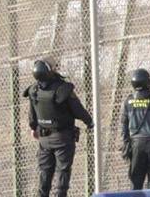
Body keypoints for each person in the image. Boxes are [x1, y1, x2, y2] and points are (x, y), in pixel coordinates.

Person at [23, 59, 93, 197]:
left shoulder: (33, 90)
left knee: (45, 173)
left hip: (44, 139)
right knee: (63, 171)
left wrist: (34, 128)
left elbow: (32, 116)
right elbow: (77, 109)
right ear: (49, 72)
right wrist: (89, 122)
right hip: (62, 138)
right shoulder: (62, 89)